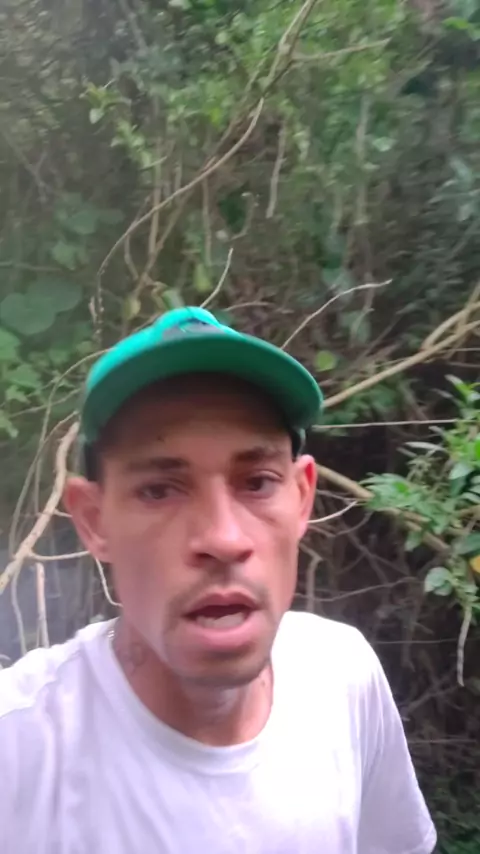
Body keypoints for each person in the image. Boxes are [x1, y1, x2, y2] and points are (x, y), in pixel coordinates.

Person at [0, 306, 436, 854]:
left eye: (257, 482)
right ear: (94, 521)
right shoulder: (18, 751)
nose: (224, 538)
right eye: (159, 490)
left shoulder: (343, 677)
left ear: (302, 497)